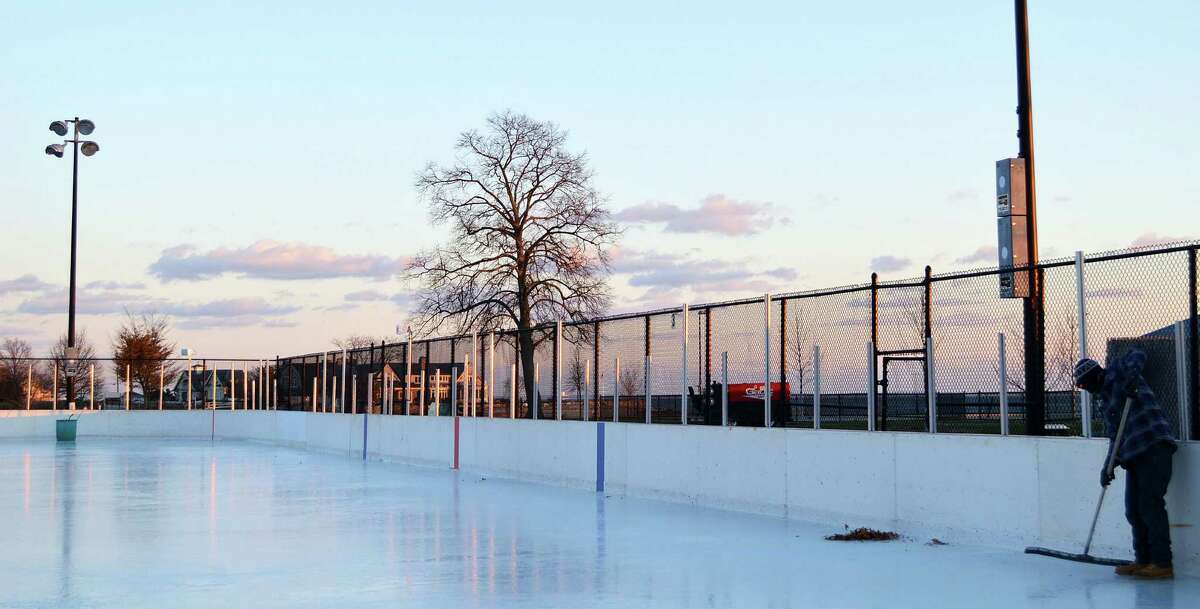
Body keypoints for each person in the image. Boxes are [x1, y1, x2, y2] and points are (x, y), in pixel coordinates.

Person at [1073, 350, 1177, 579]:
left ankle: (1162, 563)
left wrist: (1131, 378)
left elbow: (1138, 353)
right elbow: (1116, 437)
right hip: (1134, 456)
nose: (1086, 390)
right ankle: (1143, 560)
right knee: (1133, 510)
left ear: (1094, 376)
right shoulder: (1105, 402)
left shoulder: (1118, 371)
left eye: (1084, 385)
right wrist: (1108, 466)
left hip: (1154, 447)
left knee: (1150, 505)